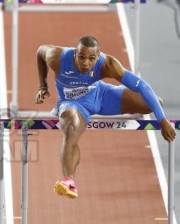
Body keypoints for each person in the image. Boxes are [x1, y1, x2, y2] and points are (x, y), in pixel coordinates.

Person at [35, 36, 176, 199]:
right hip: (73, 104)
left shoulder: (107, 64)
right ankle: (69, 181)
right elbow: (40, 52)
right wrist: (42, 86)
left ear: (98, 56)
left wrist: (162, 120)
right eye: (81, 57)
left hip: (102, 95)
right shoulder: (57, 57)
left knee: (154, 102)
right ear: (75, 53)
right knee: (71, 128)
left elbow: (143, 86)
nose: (85, 63)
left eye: (91, 58)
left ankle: (128, 103)